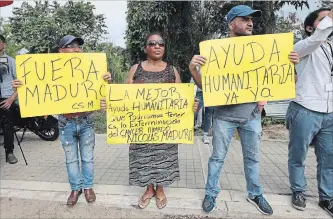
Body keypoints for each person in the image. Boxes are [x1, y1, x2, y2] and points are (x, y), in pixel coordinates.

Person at [189, 5, 300, 215]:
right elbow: (206, 87)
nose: (250, 23)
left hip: (251, 116)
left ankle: (254, 193)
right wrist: (193, 69)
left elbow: (290, 81)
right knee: (217, 157)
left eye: (252, 20)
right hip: (224, 117)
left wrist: (292, 65)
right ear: (232, 24)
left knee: (253, 158)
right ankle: (211, 193)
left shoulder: (264, 49)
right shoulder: (216, 52)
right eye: (245, 19)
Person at [101, 32, 198, 209]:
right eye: (152, 43)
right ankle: (148, 189)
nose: (157, 46)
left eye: (161, 43)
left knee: (164, 156)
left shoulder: (172, 70)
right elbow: (123, 98)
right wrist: (111, 104)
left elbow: (182, 100)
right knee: (143, 157)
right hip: (140, 126)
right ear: (146, 48)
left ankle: (160, 188)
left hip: (165, 127)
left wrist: (191, 106)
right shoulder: (135, 70)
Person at [12, 35, 112, 207]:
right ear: (60, 50)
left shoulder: (91, 68)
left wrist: (107, 81)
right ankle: (75, 188)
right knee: (71, 159)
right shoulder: (49, 70)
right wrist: (21, 85)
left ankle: (87, 187)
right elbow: (36, 88)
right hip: (65, 123)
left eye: (78, 46)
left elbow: (104, 95)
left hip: (86, 120)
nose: (76, 49)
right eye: (71, 46)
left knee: (88, 158)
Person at [286, 7, 333, 216]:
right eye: (323, 19)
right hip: (305, 108)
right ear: (309, 27)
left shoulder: (331, 48)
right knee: (298, 154)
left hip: (329, 111)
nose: (329, 23)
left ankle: (327, 197)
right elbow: (318, 37)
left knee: (329, 157)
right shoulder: (302, 46)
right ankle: (298, 190)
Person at [0, 34, 19, 164]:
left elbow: (20, 83)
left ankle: (9, 152)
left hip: (6, 98)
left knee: (8, 126)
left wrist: (12, 99)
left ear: (4, 45)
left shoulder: (11, 61)